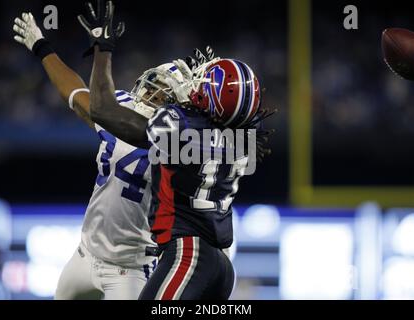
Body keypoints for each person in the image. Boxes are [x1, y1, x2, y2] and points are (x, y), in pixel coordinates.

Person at [77, 0, 274, 300]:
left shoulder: (179, 127)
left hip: (188, 255)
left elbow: (102, 109)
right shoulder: (246, 135)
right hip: (220, 265)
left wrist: (103, 49)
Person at [12, 11, 186, 300]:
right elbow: (75, 94)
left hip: (131, 269)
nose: (150, 94)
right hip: (85, 253)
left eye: (162, 93)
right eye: (154, 85)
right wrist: (42, 46)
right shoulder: (119, 107)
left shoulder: (176, 141)